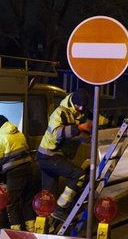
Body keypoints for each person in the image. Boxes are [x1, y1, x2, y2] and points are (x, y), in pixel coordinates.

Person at [36, 89, 94, 221]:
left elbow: (89, 125)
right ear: (73, 102)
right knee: (78, 175)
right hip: (49, 156)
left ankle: (46, 229)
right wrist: (79, 128)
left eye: (83, 106)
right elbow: (57, 134)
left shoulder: (77, 112)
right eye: (79, 105)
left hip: (49, 156)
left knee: (48, 199)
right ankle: (60, 209)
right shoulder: (59, 113)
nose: (81, 108)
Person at [0, 115, 40, 231]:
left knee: (12, 203)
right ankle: (32, 229)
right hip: (28, 170)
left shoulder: (0, 138)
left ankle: (15, 231)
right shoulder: (19, 134)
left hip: (14, 174)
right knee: (27, 202)